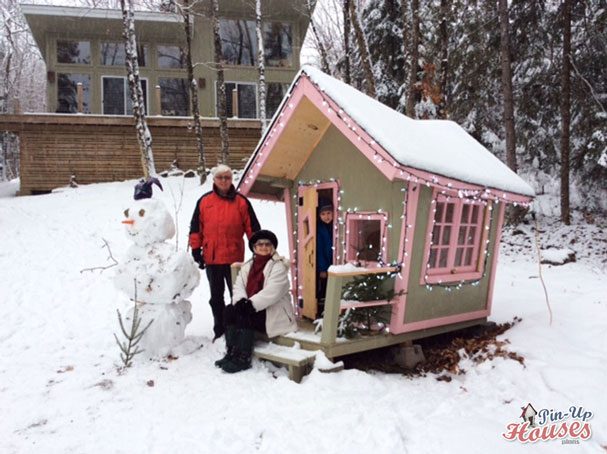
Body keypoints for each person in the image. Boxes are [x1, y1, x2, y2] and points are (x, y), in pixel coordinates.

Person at [189, 164, 260, 341]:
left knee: (238, 297)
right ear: (214, 180)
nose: (223, 181)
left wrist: (259, 250)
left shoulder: (241, 202)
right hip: (212, 259)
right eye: (220, 177)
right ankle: (219, 330)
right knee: (216, 298)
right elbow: (196, 228)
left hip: (234, 260)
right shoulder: (204, 201)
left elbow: (253, 229)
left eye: (227, 177)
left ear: (231, 180)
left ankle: (238, 329)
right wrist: (196, 250)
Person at [216, 229, 297, 373]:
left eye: (267, 244)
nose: (264, 247)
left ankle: (243, 358)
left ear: (272, 247)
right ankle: (232, 352)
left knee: (245, 314)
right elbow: (238, 285)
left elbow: (273, 291)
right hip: (254, 308)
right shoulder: (248, 265)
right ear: (254, 247)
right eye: (260, 244)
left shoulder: (278, 266)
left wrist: (250, 305)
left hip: (273, 313)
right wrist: (242, 302)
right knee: (230, 310)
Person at [315, 198, 334, 317]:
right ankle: (322, 311)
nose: (326, 216)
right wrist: (322, 268)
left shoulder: (335, 226)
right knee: (324, 288)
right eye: (323, 214)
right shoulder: (319, 229)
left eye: (328, 213)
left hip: (334, 263)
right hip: (325, 265)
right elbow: (319, 250)